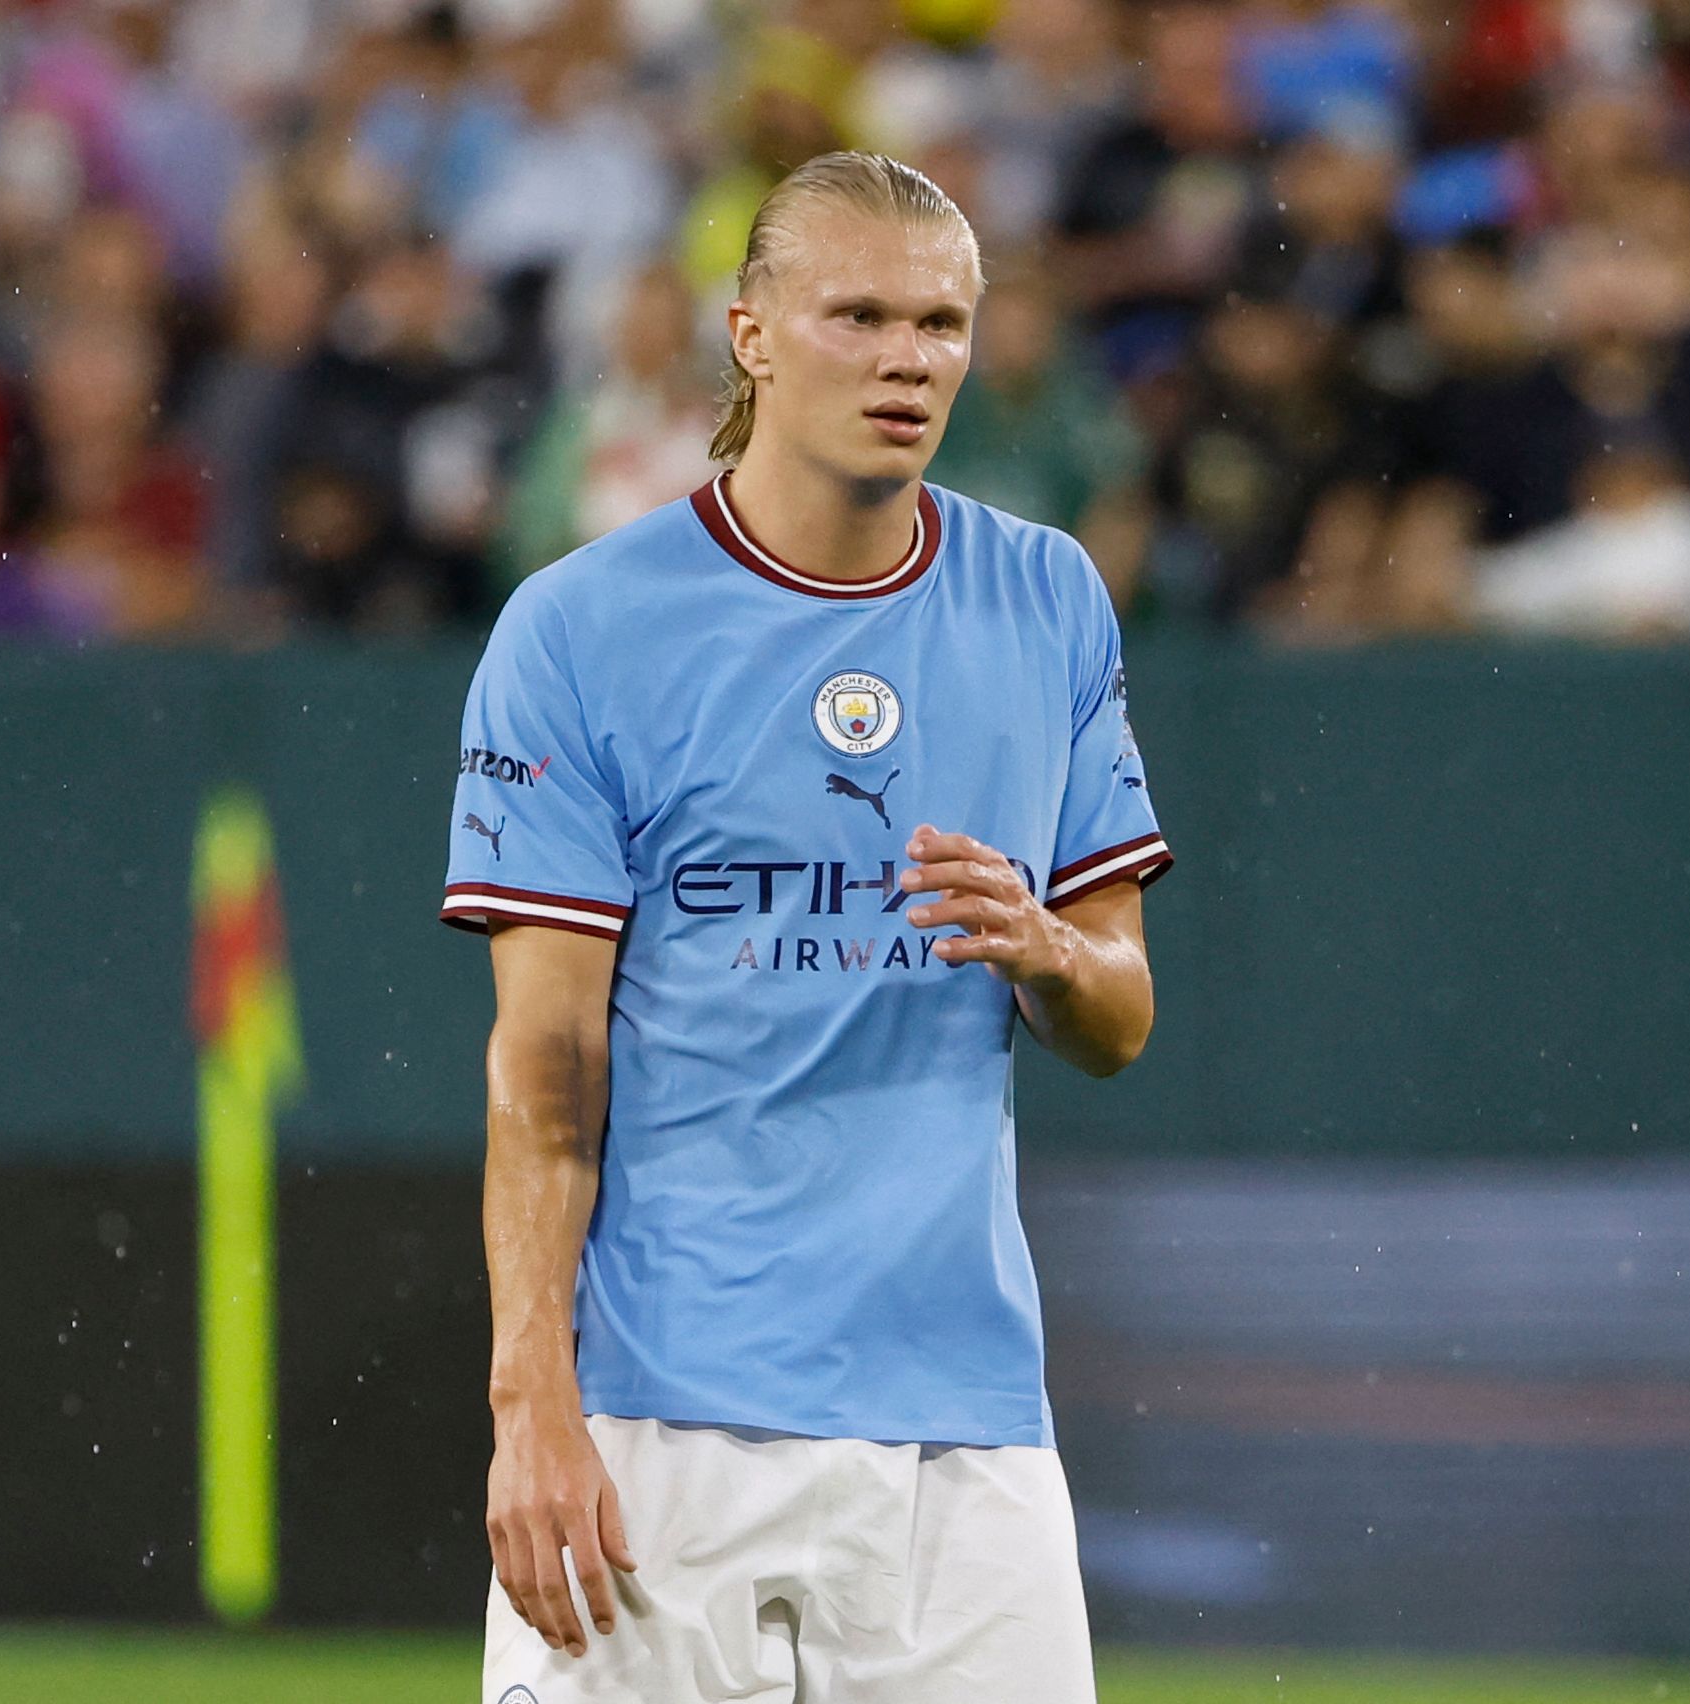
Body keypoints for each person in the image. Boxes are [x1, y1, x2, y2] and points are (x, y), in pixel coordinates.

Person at [443, 151, 1170, 1704]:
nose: (910, 359)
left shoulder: (1048, 600)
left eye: (943, 323)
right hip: (658, 1420)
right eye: (860, 315)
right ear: (753, 334)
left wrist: (1048, 952)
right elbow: (546, 1071)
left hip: (962, 1428)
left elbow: (1119, 1019)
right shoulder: (580, 629)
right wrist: (532, 1405)